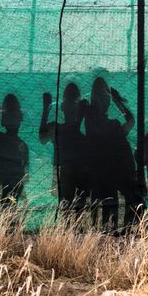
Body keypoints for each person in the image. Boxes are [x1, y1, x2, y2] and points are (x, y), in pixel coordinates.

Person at [85, 77, 143, 233]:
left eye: (106, 93)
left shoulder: (106, 124)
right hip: (108, 171)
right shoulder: (101, 122)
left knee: (109, 210)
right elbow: (130, 121)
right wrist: (119, 102)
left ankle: (121, 232)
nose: (106, 97)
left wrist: (116, 101)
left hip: (111, 170)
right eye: (103, 93)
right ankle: (122, 232)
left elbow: (130, 121)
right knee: (109, 209)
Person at [39, 83, 90, 221]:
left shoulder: (58, 128)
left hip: (73, 169)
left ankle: (70, 229)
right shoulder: (60, 128)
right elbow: (43, 138)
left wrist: (46, 109)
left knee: (71, 205)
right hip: (70, 170)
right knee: (73, 205)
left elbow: (43, 138)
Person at [0, 93, 29, 209]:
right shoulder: (22, 145)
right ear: (20, 119)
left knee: (0, 215)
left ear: (2, 120)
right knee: (10, 213)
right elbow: (24, 175)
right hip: (13, 189)